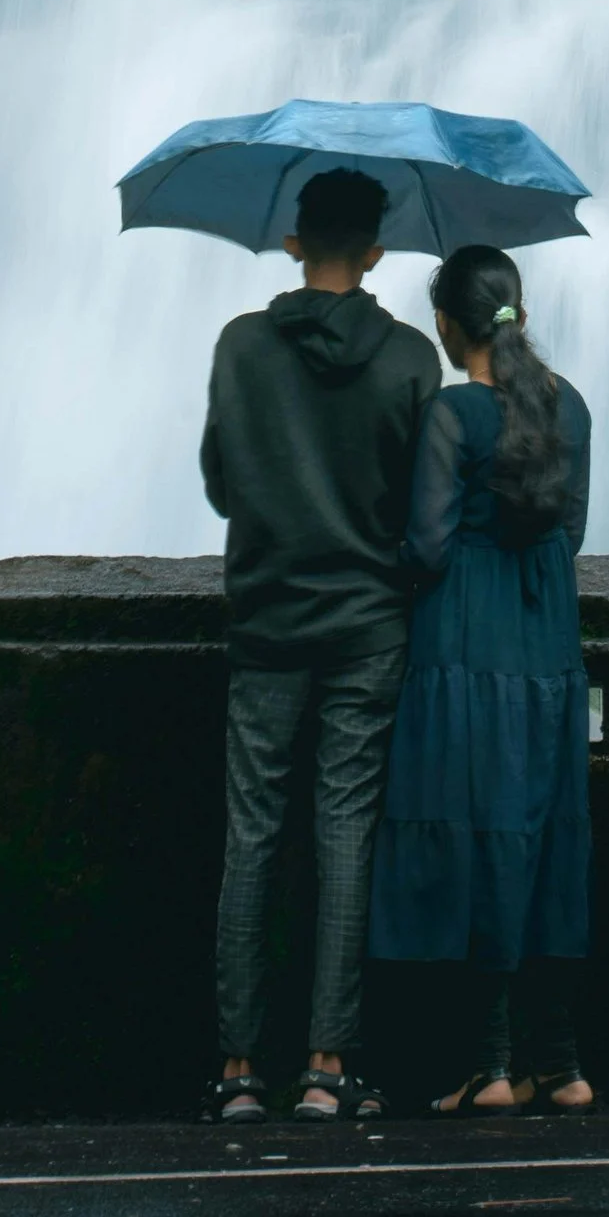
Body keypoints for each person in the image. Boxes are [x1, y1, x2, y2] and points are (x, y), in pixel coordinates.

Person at [198, 164, 440, 1125]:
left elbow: (222, 483)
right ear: (375, 251)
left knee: (251, 834)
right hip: (368, 623)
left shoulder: (241, 346)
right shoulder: (412, 358)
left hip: (264, 620)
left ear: (294, 242)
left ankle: (236, 1070)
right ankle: (329, 1067)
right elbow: (424, 506)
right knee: (345, 833)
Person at [368, 243, 595, 1113]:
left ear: (445, 325)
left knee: (479, 836)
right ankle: (563, 1063)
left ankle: (490, 1065)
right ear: (521, 315)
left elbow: (425, 547)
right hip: (547, 641)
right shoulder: (568, 405)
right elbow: (569, 533)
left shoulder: (455, 413)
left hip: (467, 638)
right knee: (545, 836)